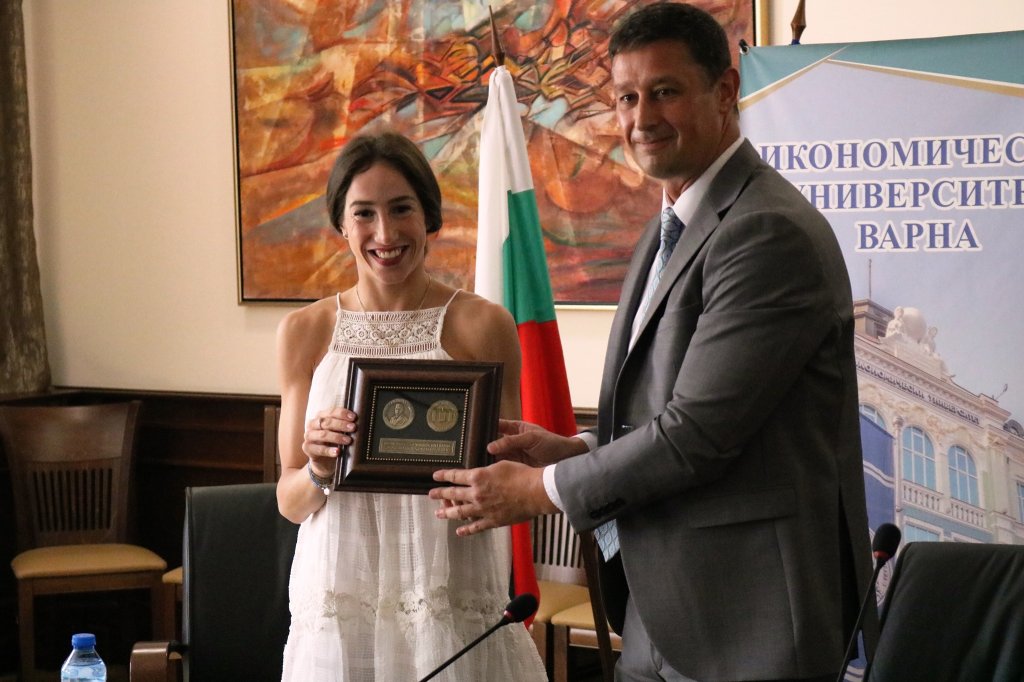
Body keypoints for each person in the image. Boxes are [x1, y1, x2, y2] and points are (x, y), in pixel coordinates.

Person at [429, 4, 875, 681]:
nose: (642, 118)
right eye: (626, 98)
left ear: (725, 91)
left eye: (664, 91)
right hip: (661, 615)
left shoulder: (766, 233)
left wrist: (541, 488)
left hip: (751, 626)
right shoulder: (667, 224)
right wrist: (577, 449)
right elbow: (669, 406)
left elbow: (698, 434)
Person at [275, 130, 546, 681]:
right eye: (364, 213)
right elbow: (289, 501)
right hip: (340, 592)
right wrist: (322, 469)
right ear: (341, 225)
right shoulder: (304, 330)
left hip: (449, 584)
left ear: (429, 217)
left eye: (402, 209)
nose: (385, 233)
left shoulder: (484, 324)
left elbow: (508, 477)